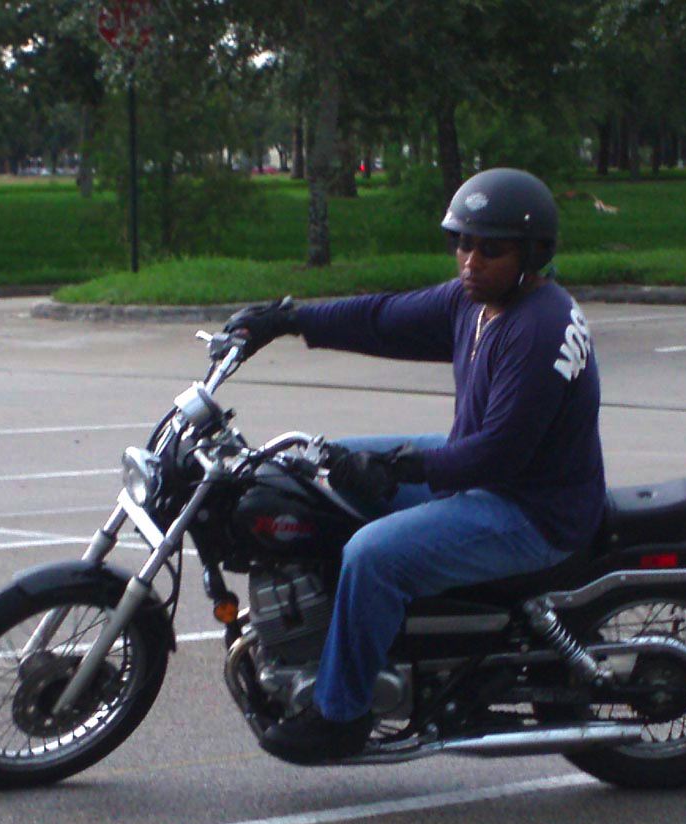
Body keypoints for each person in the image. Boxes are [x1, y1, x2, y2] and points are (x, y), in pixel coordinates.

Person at [224, 167, 606, 765]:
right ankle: (353, 632)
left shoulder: (537, 328)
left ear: (533, 254)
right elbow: (383, 317)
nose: (470, 260)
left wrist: (402, 469)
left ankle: (341, 714)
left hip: (531, 509)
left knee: (372, 556)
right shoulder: (478, 302)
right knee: (323, 470)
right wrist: (288, 319)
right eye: (463, 243)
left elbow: (499, 453)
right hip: (487, 471)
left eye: (490, 249)